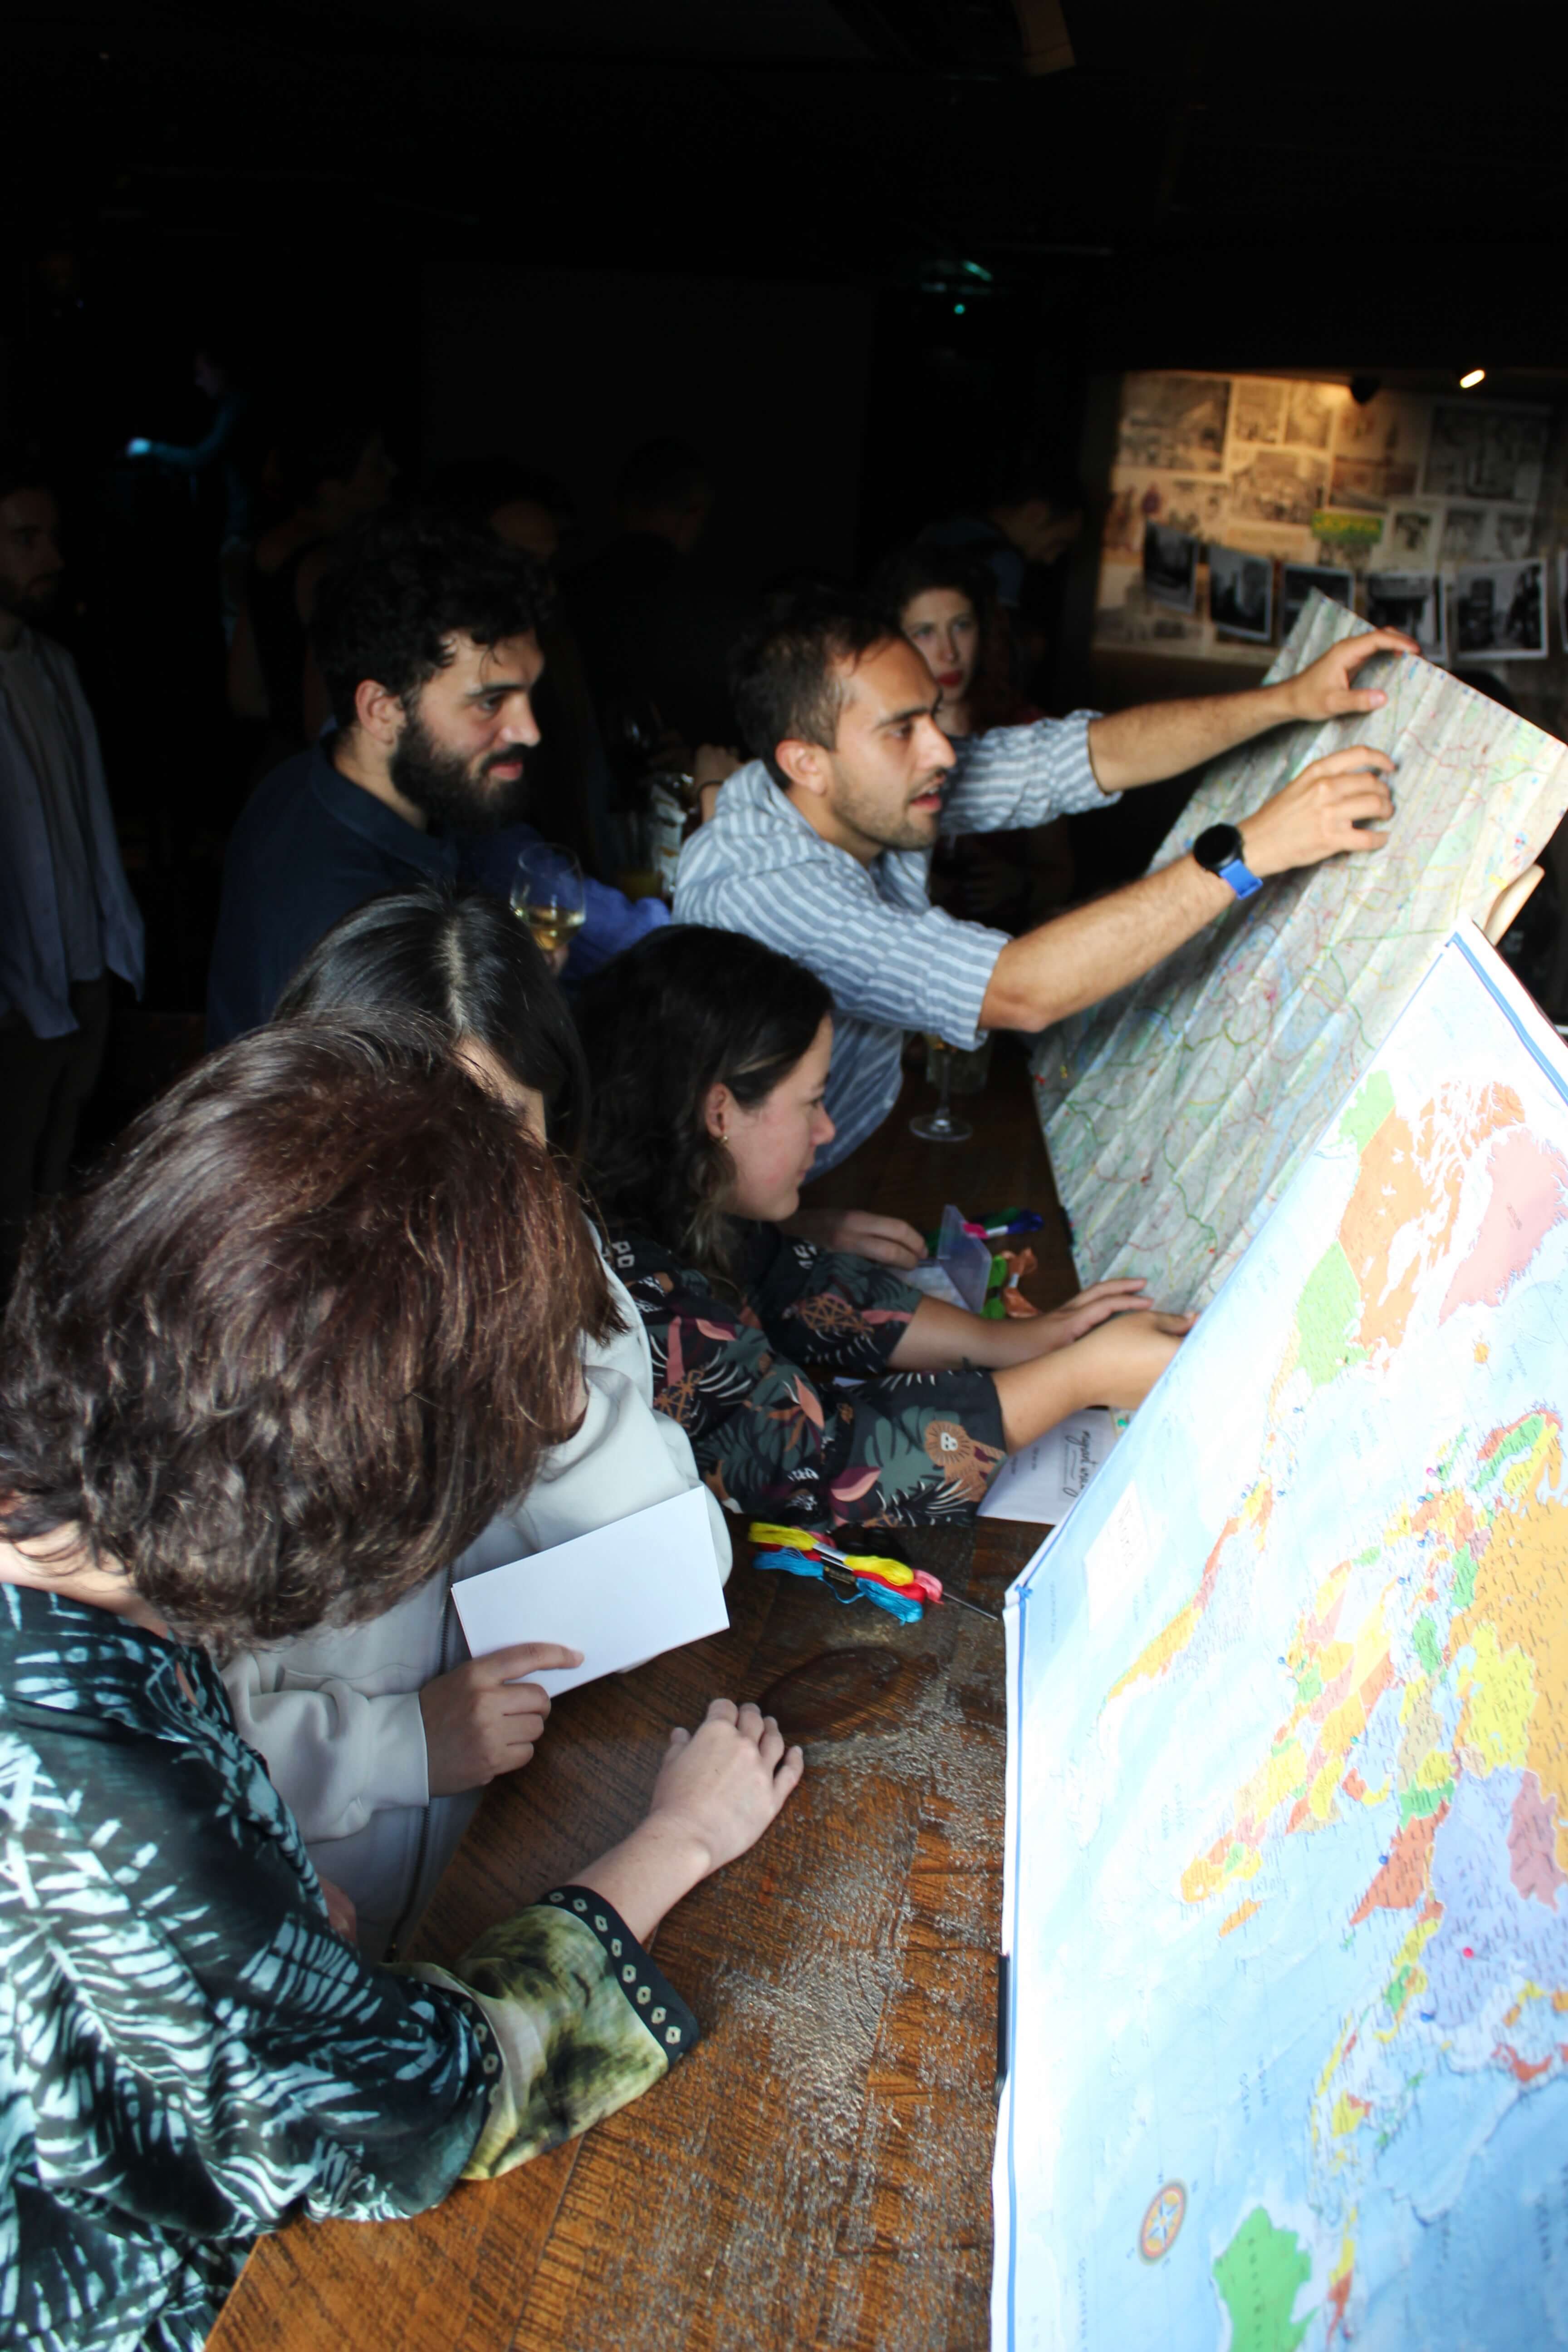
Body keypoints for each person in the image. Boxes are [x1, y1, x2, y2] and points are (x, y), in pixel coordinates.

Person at [0, 1014, 803, 2352]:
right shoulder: (105, 1781)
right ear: (355, 1514)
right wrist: (675, 1841)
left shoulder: (77, 1523)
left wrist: (255, 1919)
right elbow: (416, 2111)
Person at [223, 887, 733, 1957]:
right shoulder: (236, 1338)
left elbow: (669, 1580)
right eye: (413, 1131)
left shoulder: (562, 1266)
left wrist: (564, 1404)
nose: (457, 1185)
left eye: (498, 1131)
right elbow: (151, 1716)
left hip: (487, 1852)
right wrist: (397, 1744)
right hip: (296, 1901)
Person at [673, 583, 1414, 1175]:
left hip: (820, 1175)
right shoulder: (768, 886)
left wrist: (1288, 699)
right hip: (728, 1217)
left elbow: (1082, 756)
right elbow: (1018, 989)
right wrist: (1247, 851)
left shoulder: (867, 789)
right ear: (806, 761)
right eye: (903, 728)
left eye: (933, 715)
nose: (943, 749)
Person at [576, 926, 1189, 1525]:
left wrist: (1014, 1342)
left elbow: (794, 1284)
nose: (827, 1130)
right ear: (720, 1113)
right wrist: (1081, 1377)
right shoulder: (630, 1292)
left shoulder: (671, 1199)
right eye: (812, 1101)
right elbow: (828, 1465)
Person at [206, 507, 551, 1045]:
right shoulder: (358, 934)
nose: (529, 730)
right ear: (382, 710)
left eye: (529, 693)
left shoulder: (301, 780)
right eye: (490, 702)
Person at [0, 445, 145, 1295]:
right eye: (26, 539)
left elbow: (82, 815)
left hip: (79, 966)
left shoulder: (52, 666)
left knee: (56, 1169)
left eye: (49, 536)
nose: (51, 558)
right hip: (15, 991)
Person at [876, 542, 1073, 932]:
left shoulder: (1025, 730)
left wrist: (1020, 885)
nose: (949, 653)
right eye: (925, 632)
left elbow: (1061, 874)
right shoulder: (869, 734)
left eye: (962, 626)